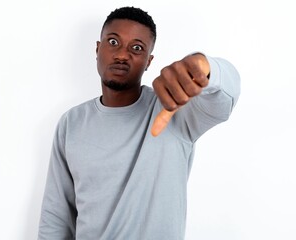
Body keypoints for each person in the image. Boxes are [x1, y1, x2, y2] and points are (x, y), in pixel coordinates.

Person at [38, 6, 240, 240]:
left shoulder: (173, 109)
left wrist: (207, 68)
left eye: (136, 48)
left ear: (148, 61)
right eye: (113, 42)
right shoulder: (71, 123)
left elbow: (224, 99)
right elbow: (56, 216)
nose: (122, 54)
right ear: (97, 48)